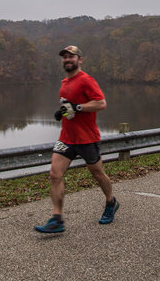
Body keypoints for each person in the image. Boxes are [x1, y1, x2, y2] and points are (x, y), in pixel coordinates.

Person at [35, 45, 118, 233]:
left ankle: (111, 202)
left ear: (80, 59)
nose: (67, 60)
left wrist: (77, 108)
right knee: (55, 174)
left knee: (97, 174)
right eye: (64, 57)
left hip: (87, 138)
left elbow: (101, 103)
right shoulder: (65, 82)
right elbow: (69, 105)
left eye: (71, 57)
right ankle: (57, 220)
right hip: (66, 138)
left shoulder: (86, 80)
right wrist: (62, 112)